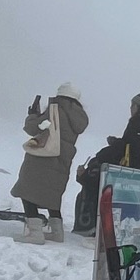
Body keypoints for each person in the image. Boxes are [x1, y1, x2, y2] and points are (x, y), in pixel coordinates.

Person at [72, 92, 140, 238]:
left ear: (139, 107)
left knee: (96, 182)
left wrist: (101, 155)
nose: (130, 108)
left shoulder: (138, 122)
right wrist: (117, 142)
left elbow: (128, 147)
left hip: (132, 174)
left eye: (133, 105)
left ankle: (91, 228)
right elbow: (135, 145)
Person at [12, 83, 88, 244]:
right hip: (62, 160)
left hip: (43, 158)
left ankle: (35, 233)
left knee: (27, 189)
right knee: (52, 194)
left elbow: (33, 128)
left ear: (60, 95)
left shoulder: (56, 109)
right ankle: (57, 232)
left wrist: (33, 115)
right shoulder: (78, 116)